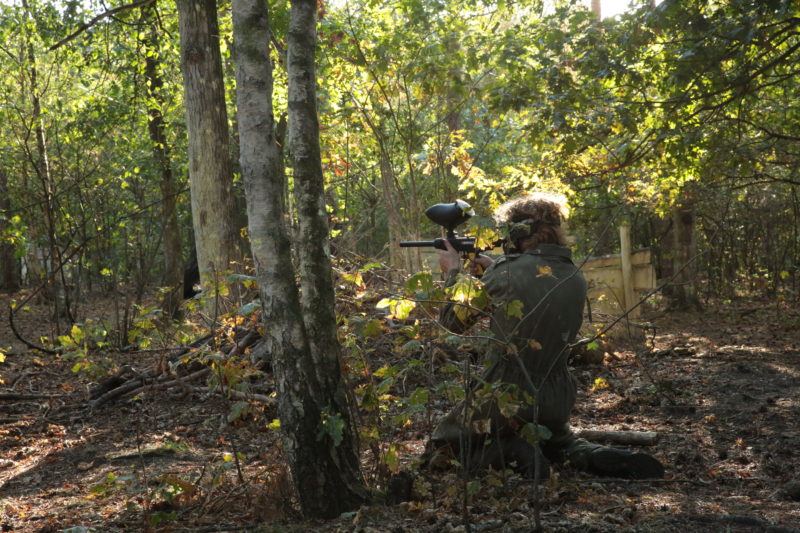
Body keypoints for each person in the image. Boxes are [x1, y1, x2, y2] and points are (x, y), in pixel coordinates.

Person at [424, 192, 664, 480]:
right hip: (557, 397)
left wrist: (453, 272)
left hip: (505, 396)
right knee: (557, 443)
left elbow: (452, 322)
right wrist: (494, 269)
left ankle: (512, 451)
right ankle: (589, 454)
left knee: (442, 449)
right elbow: (528, 284)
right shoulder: (573, 274)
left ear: (518, 232)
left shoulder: (505, 274)